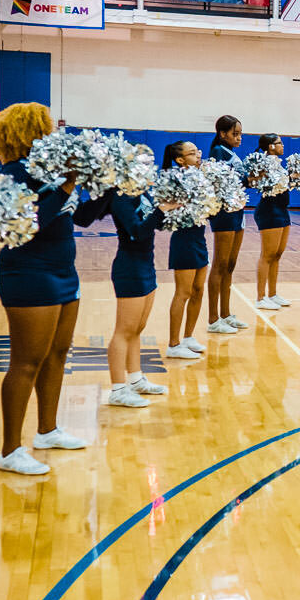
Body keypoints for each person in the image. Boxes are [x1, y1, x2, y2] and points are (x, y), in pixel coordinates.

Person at [0, 103, 110, 475]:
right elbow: (29, 223)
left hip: (63, 271)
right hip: (29, 272)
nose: (55, 134)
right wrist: (67, 186)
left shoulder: (48, 172)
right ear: (30, 132)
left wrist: (106, 189)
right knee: (26, 362)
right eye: (46, 127)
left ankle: (47, 429)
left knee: (58, 354)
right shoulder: (12, 173)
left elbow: (79, 217)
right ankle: (11, 450)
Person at [106, 149, 178, 408]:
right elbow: (136, 231)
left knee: (137, 329)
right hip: (129, 267)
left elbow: (154, 225)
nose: (149, 168)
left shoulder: (141, 193)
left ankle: (135, 379)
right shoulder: (121, 197)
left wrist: (171, 210)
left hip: (146, 264)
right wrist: (161, 210)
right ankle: (117, 388)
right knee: (123, 331)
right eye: (144, 164)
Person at [163, 141, 210, 360]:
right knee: (183, 293)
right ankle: (173, 344)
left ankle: (189, 337)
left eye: (197, 151)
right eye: (192, 153)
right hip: (184, 240)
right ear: (180, 160)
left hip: (199, 237)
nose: (197, 155)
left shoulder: (200, 177)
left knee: (199, 289)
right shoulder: (176, 180)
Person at [205, 115, 247, 336]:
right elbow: (223, 182)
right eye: (235, 133)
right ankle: (213, 319)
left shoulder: (230, 152)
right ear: (222, 133)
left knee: (230, 265)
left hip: (238, 212)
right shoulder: (218, 153)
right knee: (220, 265)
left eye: (240, 133)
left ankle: (226, 313)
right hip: (224, 214)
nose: (239, 137)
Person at [252, 133, 293, 310]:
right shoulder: (264, 163)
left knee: (277, 255)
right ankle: (260, 298)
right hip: (269, 210)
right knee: (267, 255)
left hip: (282, 209)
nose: (282, 146)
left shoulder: (278, 164)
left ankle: (273, 294)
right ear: (270, 147)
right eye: (279, 143)